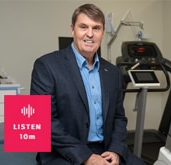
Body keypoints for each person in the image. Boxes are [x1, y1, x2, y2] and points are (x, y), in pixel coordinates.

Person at [30, 3, 146, 165]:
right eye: (83, 27)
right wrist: (86, 157)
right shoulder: (46, 65)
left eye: (96, 28)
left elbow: (119, 118)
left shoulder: (112, 72)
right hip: (64, 152)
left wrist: (115, 150)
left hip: (106, 149)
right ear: (72, 29)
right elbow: (43, 121)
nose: (90, 34)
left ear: (103, 32)